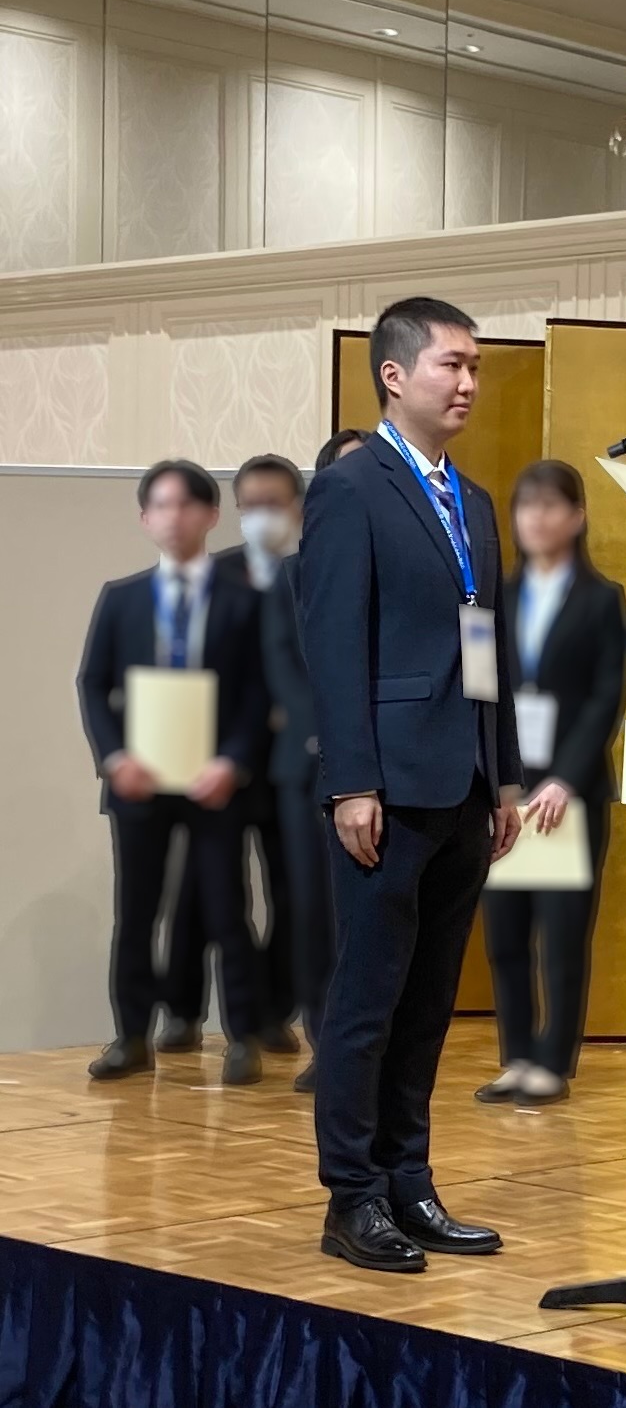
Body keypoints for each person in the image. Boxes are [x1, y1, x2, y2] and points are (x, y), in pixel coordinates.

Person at [300, 298, 524, 1273]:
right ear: (395, 375)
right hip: (387, 786)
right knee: (369, 1001)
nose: (468, 382)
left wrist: (505, 772)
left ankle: (409, 1179)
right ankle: (352, 1197)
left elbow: (489, 649)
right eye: (451, 365)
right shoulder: (355, 488)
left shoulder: (471, 500)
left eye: (476, 367)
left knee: (430, 1002)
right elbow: (333, 640)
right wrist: (352, 779)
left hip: (465, 782)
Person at [78, 460, 269, 1085]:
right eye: (161, 506)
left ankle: (242, 1037)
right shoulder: (121, 596)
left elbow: (257, 693)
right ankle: (131, 1036)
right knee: (135, 912)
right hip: (139, 781)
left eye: (188, 505)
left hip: (213, 783)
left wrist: (232, 761)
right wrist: (114, 756)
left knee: (226, 907)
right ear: (144, 519)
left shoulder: (243, 601)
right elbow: (93, 684)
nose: (174, 516)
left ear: (212, 517)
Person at [475, 462, 626, 1108]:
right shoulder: (492, 598)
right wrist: (497, 780)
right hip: (506, 791)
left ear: (577, 515)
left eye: (550, 504)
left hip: (570, 792)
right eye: (524, 505)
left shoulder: (601, 598)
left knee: (563, 933)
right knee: (505, 931)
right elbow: (482, 692)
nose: (535, 517)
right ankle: (515, 1056)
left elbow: (604, 697)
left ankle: (552, 1060)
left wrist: (564, 777)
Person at [160, 453, 305, 1058]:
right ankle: (183, 1014)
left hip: (288, 764)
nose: (263, 517)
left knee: (292, 895)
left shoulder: (311, 575)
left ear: (297, 507)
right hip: (216, 762)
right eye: (251, 506)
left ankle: (271, 1012)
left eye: (276, 504)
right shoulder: (212, 575)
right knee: (201, 892)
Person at [265, 430, 367, 1092]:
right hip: (308, 766)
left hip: (380, 772)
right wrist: (328, 736)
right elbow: (283, 667)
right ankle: (322, 1040)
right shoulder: (289, 573)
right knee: (310, 913)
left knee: (367, 920)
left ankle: (364, 1049)